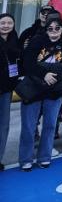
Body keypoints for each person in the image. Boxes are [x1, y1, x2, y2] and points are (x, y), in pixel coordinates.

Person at [19, 18, 62, 170]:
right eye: (50, 28)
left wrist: (49, 74)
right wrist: (44, 74)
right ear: (46, 30)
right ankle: (25, 159)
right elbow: (28, 64)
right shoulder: (36, 41)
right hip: (33, 88)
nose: (54, 31)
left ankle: (44, 157)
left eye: (57, 28)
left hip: (55, 89)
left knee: (50, 125)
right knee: (28, 127)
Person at [0, 13, 21, 170]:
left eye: (9, 23)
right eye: (3, 23)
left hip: (6, 90)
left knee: (4, 126)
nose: (6, 25)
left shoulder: (15, 41)